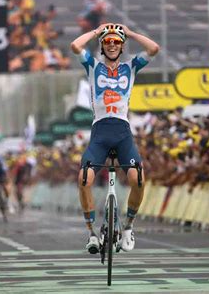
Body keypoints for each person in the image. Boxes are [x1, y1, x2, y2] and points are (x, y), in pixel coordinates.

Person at [70, 23, 160, 253]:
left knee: (138, 179)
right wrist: (98, 31)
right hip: (100, 133)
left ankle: (129, 226)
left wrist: (129, 32)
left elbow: (154, 48)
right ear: (102, 44)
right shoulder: (92, 66)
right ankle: (91, 232)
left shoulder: (130, 67)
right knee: (83, 179)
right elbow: (75, 45)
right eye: (108, 41)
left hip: (122, 133)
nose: (111, 44)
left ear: (122, 46)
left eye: (116, 42)